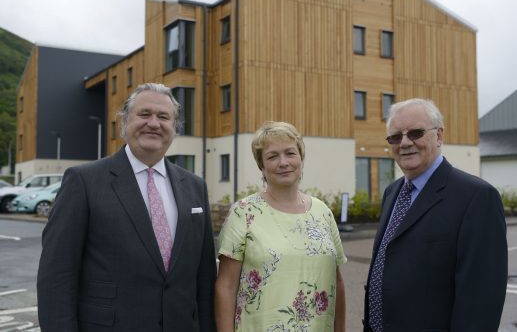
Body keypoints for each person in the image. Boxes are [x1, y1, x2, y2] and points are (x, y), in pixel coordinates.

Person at [37, 83, 216, 331]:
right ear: (124, 123)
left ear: (175, 128)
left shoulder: (195, 187)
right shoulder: (84, 181)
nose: (154, 123)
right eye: (144, 114)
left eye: (163, 117)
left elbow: (205, 278)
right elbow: (57, 277)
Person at [364, 98, 508, 332]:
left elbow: (480, 303)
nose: (405, 143)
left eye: (416, 133)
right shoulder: (392, 192)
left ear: (439, 136)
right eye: (395, 137)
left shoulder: (477, 197)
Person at [215, 121, 346, 332]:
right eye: (272, 156)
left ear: (301, 159)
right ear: (262, 166)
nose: (283, 162)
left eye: (290, 153)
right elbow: (225, 287)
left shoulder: (323, 212)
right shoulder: (244, 213)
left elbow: (336, 282)